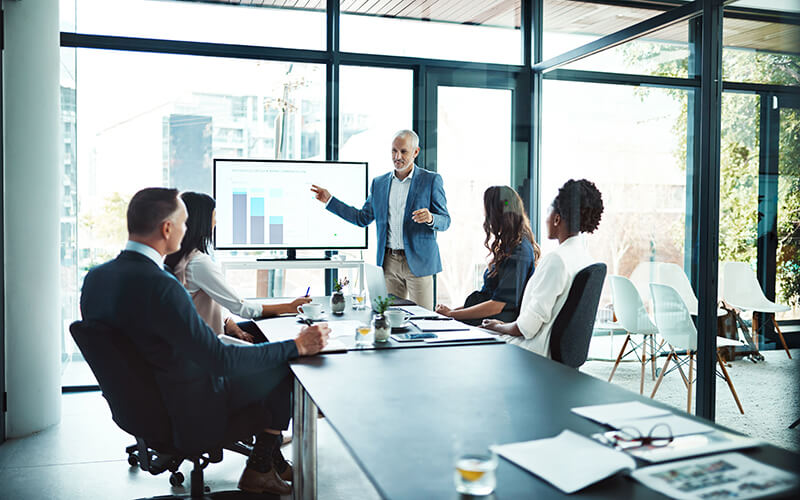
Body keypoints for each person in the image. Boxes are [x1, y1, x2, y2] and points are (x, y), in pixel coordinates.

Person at [80, 188, 330, 495]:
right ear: (167, 228)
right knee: (283, 368)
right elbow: (219, 360)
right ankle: (260, 468)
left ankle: (268, 462)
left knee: (264, 360)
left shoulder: (95, 279)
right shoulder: (162, 286)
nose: (187, 231)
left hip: (139, 409)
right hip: (188, 410)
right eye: (183, 224)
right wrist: (296, 345)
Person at [310, 130, 450, 310]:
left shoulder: (431, 180)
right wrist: (330, 200)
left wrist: (431, 218)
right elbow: (362, 218)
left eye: (404, 151)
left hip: (419, 263)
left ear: (416, 152)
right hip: (388, 263)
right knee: (389, 318)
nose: (397, 156)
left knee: (423, 320)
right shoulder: (379, 183)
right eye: (394, 151)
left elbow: (445, 220)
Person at [164, 192, 311, 343]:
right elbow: (242, 308)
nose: (216, 222)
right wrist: (290, 307)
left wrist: (227, 321)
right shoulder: (198, 263)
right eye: (214, 216)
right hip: (209, 347)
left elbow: (199, 306)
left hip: (197, 339)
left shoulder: (179, 258)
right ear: (202, 221)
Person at [481, 179, 604, 358]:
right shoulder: (585, 258)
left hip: (532, 352)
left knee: (468, 340)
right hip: (550, 353)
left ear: (556, 218)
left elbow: (526, 328)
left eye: (548, 212)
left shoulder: (557, 260)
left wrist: (497, 326)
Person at [435, 186, 539, 326]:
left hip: (493, 324)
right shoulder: (510, 246)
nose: (486, 219)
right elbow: (488, 298)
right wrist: (451, 312)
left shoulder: (519, 252)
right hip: (483, 319)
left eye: (488, 214)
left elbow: (497, 305)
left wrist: (452, 314)